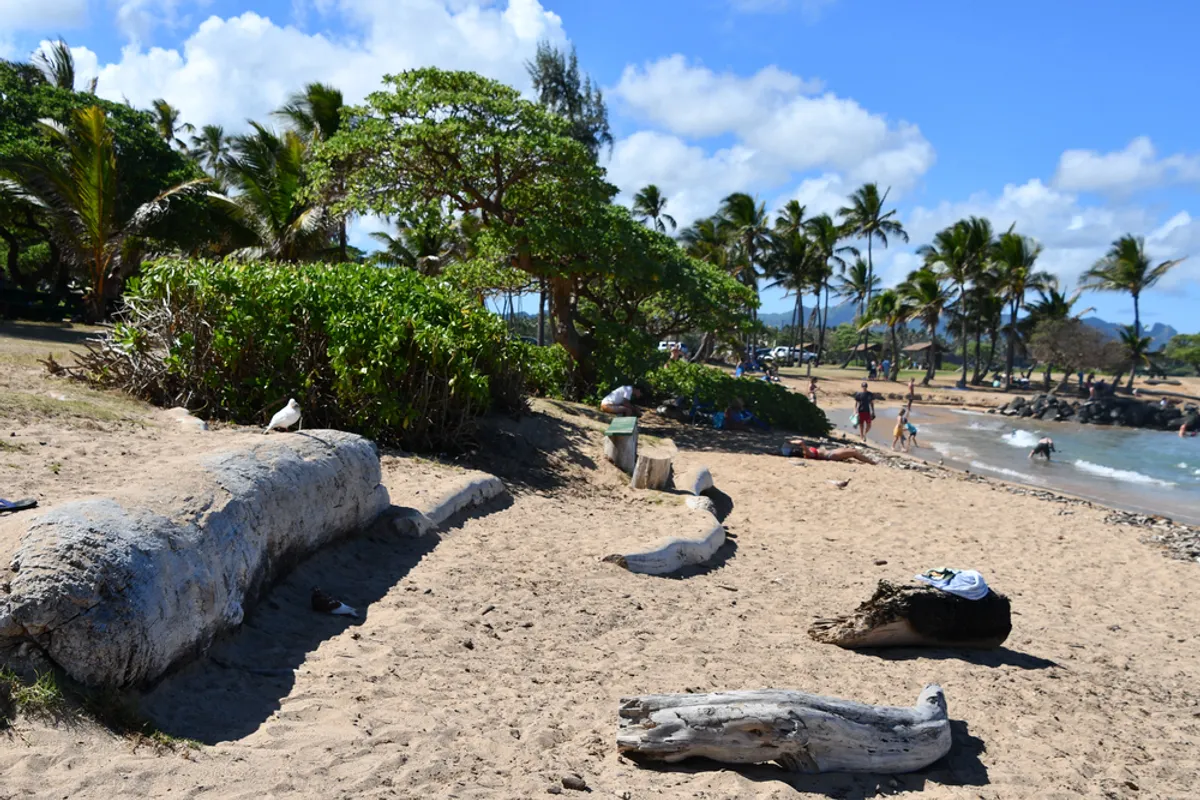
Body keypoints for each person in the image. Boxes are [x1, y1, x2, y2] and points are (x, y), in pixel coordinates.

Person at [781, 441, 877, 464]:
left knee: (851, 450)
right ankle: (872, 463)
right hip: (831, 455)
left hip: (831, 452)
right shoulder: (807, 453)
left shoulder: (805, 453)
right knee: (854, 452)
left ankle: (870, 461)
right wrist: (790, 442)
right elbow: (801, 442)